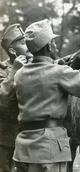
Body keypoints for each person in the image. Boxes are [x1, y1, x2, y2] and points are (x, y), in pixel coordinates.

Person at [12, 19, 80, 172]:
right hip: (49, 149)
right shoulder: (59, 73)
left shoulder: (19, 74)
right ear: (48, 46)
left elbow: (58, 65)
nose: (56, 45)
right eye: (53, 41)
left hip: (23, 149)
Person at [0, 23, 33, 172]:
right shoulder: (3, 71)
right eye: (24, 43)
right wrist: (14, 70)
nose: (29, 45)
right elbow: (2, 99)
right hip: (6, 142)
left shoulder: (33, 67)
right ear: (13, 50)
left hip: (28, 140)